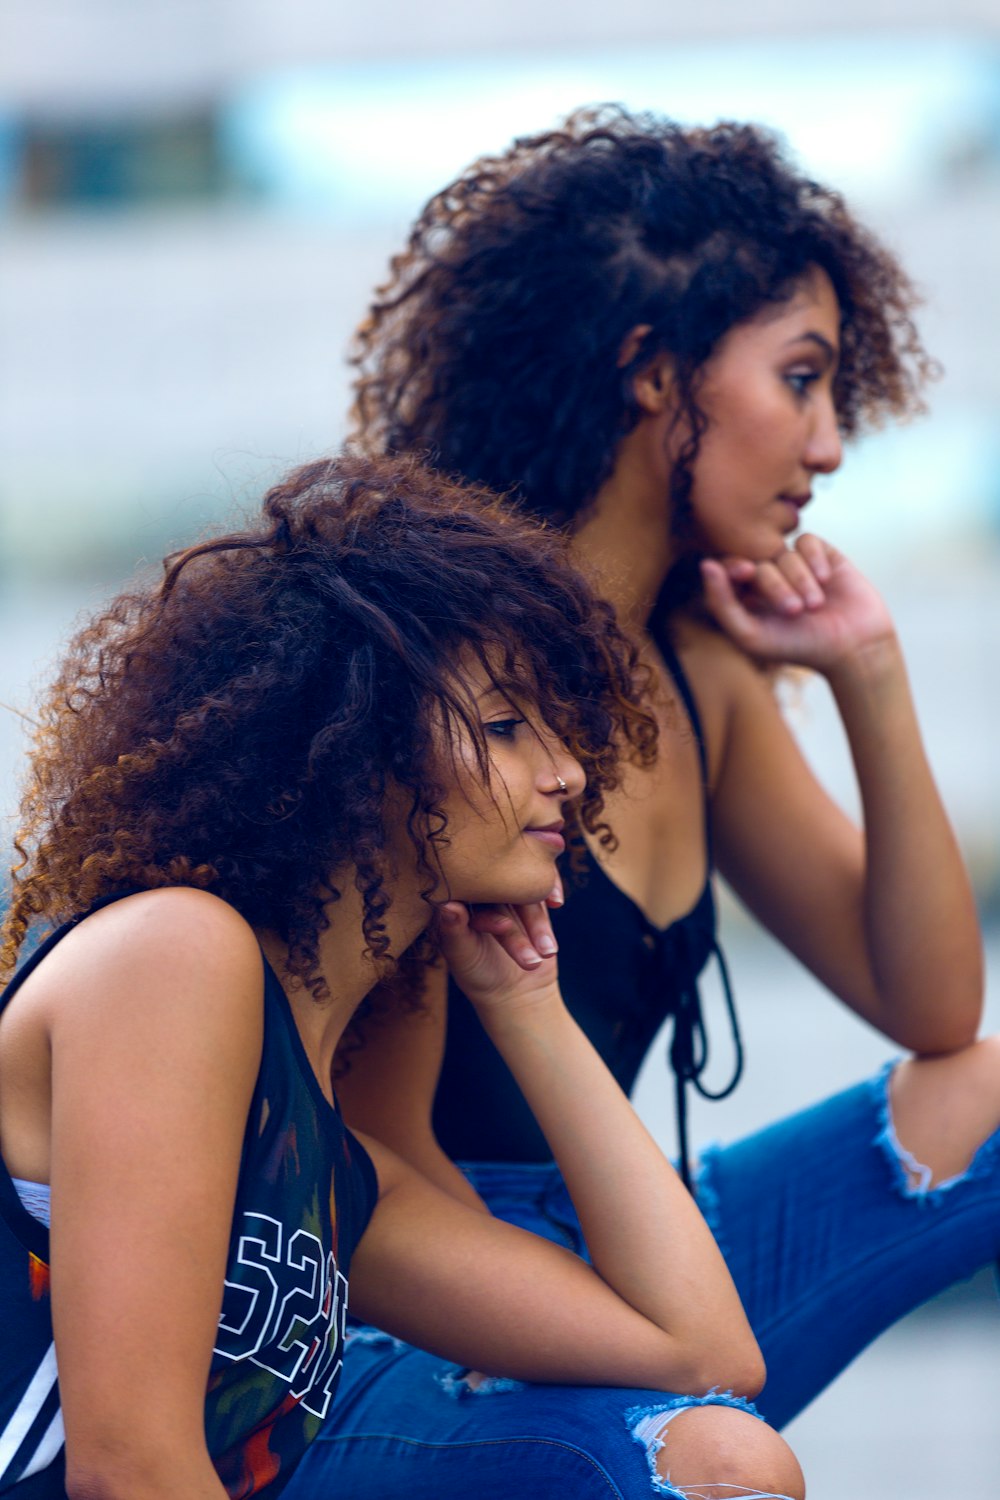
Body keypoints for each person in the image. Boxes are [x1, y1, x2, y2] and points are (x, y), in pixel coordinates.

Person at [318, 105, 1000, 1489]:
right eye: (800, 380)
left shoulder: (701, 676)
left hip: (640, 1229)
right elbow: (373, 1156)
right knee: (727, 1466)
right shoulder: (448, 677)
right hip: (428, 1281)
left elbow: (935, 1016)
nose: (827, 443)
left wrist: (869, 672)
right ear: (650, 373)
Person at [0, 452, 806, 1500]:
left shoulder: (337, 1174)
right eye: (508, 726)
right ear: (360, 745)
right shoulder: (172, 956)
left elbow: (701, 1350)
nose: (564, 770)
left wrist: (527, 1010)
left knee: (721, 1463)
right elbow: (129, 1470)